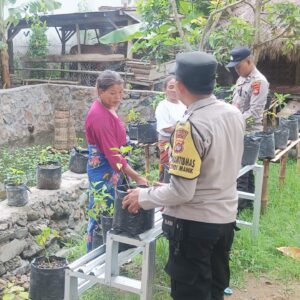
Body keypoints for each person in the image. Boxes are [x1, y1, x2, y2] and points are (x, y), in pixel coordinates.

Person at [123, 51, 245, 300]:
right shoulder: (232, 113)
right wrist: (163, 189)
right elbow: (215, 169)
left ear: (178, 86)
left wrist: (144, 195)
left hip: (196, 228)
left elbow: (182, 191)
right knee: (214, 290)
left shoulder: (189, 125)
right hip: (224, 221)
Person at [85, 70, 147, 252]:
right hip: (104, 169)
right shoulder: (98, 116)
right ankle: (93, 258)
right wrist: (137, 177)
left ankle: (112, 253)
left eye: (120, 92)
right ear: (100, 91)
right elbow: (114, 158)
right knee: (100, 211)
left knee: (112, 210)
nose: (118, 97)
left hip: (113, 170)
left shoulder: (107, 107)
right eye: (112, 93)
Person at [227, 46, 269, 211]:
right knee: (246, 167)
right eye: (235, 68)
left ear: (249, 61)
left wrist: (233, 121)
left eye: (239, 66)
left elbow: (254, 112)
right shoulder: (241, 79)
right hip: (239, 127)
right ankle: (249, 200)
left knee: (242, 167)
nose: (237, 70)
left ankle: (241, 204)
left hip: (250, 131)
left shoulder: (259, 81)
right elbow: (236, 104)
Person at [155, 75, 186, 181]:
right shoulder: (163, 106)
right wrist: (185, 130)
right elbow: (166, 128)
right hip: (167, 141)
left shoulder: (183, 104)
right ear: (165, 89)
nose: (174, 90)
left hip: (182, 140)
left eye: (176, 87)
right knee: (167, 168)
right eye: (171, 87)